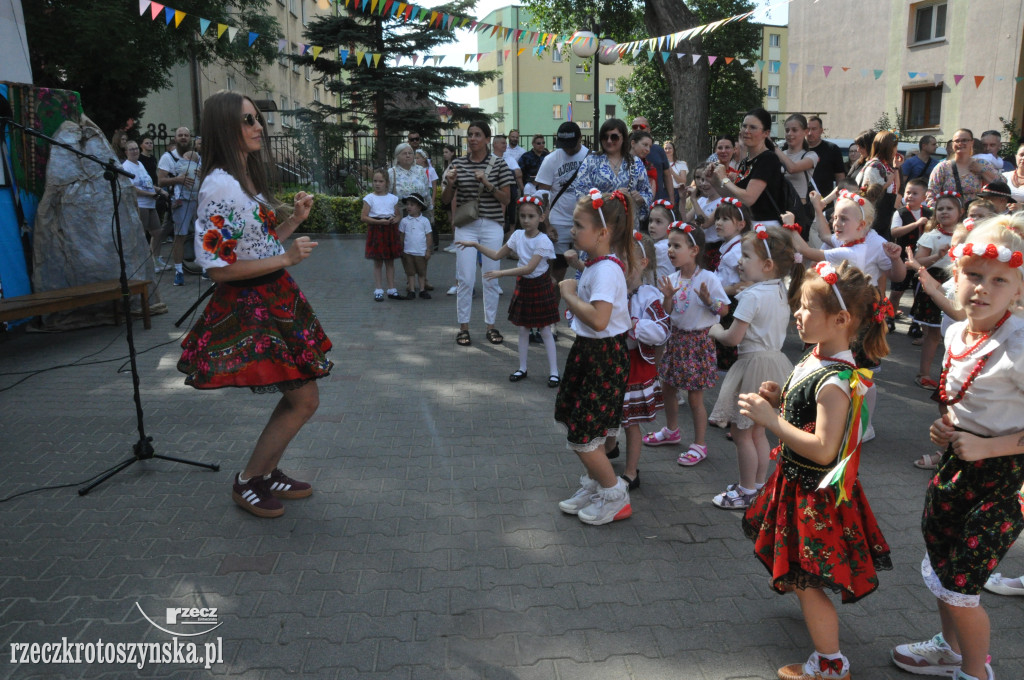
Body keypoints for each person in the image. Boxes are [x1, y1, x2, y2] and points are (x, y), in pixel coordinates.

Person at [177, 91, 329, 519]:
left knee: (299, 396)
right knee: (304, 399)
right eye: (247, 120)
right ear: (226, 127)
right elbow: (218, 269)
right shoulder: (219, 185)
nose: (258, 126)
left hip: (273, 296)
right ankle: (249, 481)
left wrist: (293, 222)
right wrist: (286, 258)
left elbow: (255, 246)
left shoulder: (242, 180)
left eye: (257, 118)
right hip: (252, 305)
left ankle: (265, 473)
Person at [739, 261, 892, 680]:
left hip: (815, 496)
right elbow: (801, 409)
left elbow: (825, 451)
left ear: (841, 319)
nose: (797, 314)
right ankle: (802, 590)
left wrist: (772, 423)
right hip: (795, 485)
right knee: (798, 567)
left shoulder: (835, 380)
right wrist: (779, 399)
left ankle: (829, 663)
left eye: (806, 307)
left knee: (809, 579)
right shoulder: (815, 356)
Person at [891, 216, 1024, 680]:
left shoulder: (1020, 346)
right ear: (956, 273)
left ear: (1018, 291)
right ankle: (948, 648)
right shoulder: (954, 332)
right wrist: (946, 428)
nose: (982, 289)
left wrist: (992, 447)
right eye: (973, 275)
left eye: (999, 280)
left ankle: (975, 672)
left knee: (963, 583)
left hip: (1005, 480)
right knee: (944, 565)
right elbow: (960, 401)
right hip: (956, 467)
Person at [555, 189, 638, 525]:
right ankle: (595, 485)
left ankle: (614, 495)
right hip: (589, 353)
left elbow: (599, 319)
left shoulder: (606, 271)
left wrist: (568, 294)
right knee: (580, 425)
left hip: (603, 356)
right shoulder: (598, 264)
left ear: (603, 233)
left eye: (579, 225)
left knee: (584, 434)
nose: (573, 230)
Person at [708, 226, 801, 508]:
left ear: (767, 264)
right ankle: (759, 485)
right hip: (775, 362)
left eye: (746, 256)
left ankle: (747, 490)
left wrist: (714, 331)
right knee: (758, 430)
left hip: (752, 365)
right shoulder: (780, 290)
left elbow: (733, 338)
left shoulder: (751, 296)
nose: (740, 261)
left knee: (741, 432)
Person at [644, 222, 728, 466]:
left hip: (697, 342)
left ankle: (700, 444)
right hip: (675, 340)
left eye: (676, 245)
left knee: (694, 399)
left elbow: (723, 310)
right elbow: (667, 313)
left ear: (694, 250)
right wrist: (668, 298)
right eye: (669, 245)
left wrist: (708, 300)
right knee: (667, 387)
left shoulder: (709, 279)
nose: (670, 250)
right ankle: (672, 431)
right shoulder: (671, 279)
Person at [458, 195, 560, 385]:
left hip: (540, 284)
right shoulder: (517, 235)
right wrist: (475, 245)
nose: (526, 220)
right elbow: (497, 254)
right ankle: (522, 367)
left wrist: (501, 273)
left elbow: (529, 268)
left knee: (545, 329)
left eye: (531, 216)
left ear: (541, 218)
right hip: (525, 285)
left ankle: (554, 371)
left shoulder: (543, 241)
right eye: (522, 216)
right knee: (522, 329)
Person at [440, 121, 515, 347]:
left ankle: (490, 326)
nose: (472, 138)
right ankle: (464, 327)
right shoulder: (458, 164)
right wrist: (451, 185)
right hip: (466, 224)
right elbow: (445, 200)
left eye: (477, 135)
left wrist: (487, 182)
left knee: (491, 277)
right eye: (470, 135)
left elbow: (507, 199)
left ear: (487, 139)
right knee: (465, 278)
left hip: (492, 225)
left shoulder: (499, 164)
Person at [617, 233, 670, 490]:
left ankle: (631, 472)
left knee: (630, 422)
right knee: (610, 412)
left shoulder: (649, 295)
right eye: (617, 258)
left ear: (643, 263)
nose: (621, 264)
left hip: (634, 365)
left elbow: (661, 330)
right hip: (610, 361)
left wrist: (634, 325)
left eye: (627, 259)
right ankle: (609, 447)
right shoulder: (611, 289)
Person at [910, 191, 963, 389]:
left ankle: (952, 377)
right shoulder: (932, 235)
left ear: (960, 211)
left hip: (958, 282)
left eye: (949, 208)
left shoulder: (967, 235)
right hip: (934, 279)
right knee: (933, 333)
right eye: (940, 209)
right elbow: (916, 261)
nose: (944, 212)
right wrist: (936, 256)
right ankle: (923, 373)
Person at [536, 121, 590, 304]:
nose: (566, 150)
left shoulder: (591, 157)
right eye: (563, 146)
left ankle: (584, 318)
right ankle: (551, 320)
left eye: (571, 145)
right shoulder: (551, 159)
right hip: (558, 224)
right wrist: (547, 224)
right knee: (556, 275)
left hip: (585, 224)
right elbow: (542, 193)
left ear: (580, 139)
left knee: (587, 272)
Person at [709, 108, 786, 226]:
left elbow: (748, 199)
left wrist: (724, 178)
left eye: (753, 127)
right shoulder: (745, 161)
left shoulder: (768, 158)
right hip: (749, 224)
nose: (746, 131)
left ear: (766, 133)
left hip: (766, 227)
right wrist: (713, 180)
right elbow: (734, 197)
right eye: (744, 126)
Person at [571, 118, 652, 228]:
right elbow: (580, 194)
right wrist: (610, 197)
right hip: (600, 225)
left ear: (623, 138)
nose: (609, 141)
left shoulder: (636, 162)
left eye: (614, 137)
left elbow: (647, 192)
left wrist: (640, 198)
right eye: (605, 137)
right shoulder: (591, 161)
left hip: (627, 226)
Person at [158, 126, 201, 286]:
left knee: (202, 234)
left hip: (197, 200)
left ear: (190, 138)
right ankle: (179, 271)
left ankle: (205, 268)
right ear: (175, 138)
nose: (183, 137)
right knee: (180, 236)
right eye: (180, 135)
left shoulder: (197, 156)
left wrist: (201, 174)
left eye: (186, 135)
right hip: (180, 201)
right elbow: (160, 181)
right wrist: (178, 179)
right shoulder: (168, 157)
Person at [889, 178, 932, 330]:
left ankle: (916, 323)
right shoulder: (900, 213)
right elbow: (894, 231)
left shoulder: (929, 213)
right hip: (903, 258)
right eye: (908, 192)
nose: (910, 196)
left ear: (924, 197)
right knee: (896, 291)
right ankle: (890, 317)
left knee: (919, 292)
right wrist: (916, 224)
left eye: (915, 193)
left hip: (922, 259)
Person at [123, 140, 170, 272]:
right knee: (141, 234)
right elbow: (132, 188)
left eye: (136, 148)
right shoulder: (126, 167)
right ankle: (142, 263)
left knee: (157, 232)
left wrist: (160, 190)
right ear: (126, 152)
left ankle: (156, 259)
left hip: (150, 203)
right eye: (131, 149)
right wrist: (150, 195)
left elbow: (147, 184)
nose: (135, 151)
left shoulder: (140, 164)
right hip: (141, 204)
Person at [927, 129, 1001, 205]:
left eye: (964, 140)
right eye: (957, 141)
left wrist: (982, 170)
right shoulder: (942, 167)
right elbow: (931, 195)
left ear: (972, 143)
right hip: (950, 213)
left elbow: (1002, 183)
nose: (960, 143)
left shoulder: (982, 163)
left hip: (973, 214)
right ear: (952, 144)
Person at [361, 169, 402, 301]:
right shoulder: (369, 198)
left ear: (387, 183)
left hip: (389, 230)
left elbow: (398, 214)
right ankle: (378, 289)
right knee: (378, 262)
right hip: (376, 229)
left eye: (381, 181)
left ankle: (391, 289)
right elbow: (364, 217)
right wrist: (379, 222)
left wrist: (395, 219)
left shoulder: (393, 198)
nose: (377, 184)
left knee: (390, 261)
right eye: (375, 181)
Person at [775, 113, 819, 232]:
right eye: (787, 130)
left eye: (794, 130)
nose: (790, 134)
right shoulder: (780, 154)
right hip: (779, 207)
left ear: (805, 132)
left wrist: (775, 149)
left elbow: (792, 168)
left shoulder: (810, 155)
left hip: (798, 209)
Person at [855, 130, 900, 240]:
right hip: (874, 221)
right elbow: (869, 194)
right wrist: (887, 183)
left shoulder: (884, 165)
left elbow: (896, 190)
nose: (896, 150)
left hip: (883, 219)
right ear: (888, 147)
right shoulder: (875, 166)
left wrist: (896, 168)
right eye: (895, 147)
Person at [684, 165, 723, 269]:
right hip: (702, 247)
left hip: (715, 249)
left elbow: (705, 223)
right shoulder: (701, 200)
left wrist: (693, 200)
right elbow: (685, 219)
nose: (703, 183)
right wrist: (682, 199)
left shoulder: (722, 202)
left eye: (708, 180)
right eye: (701, 180)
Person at [398, 193, 432, 299]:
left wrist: (428, 250)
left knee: (422, 272)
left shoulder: (424, 221)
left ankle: (422, 289)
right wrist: (401, 249)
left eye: (412, 205)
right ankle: (411, 290)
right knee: (410, 272)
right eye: (407, 204)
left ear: (419, 207)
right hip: (408, 251)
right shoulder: (404, 221)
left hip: (421, 252)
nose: (408, 207)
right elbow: (402, 236)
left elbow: (428, 236)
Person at [806, 116, 846, 198]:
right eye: (808, 129)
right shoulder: (798, 149)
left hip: (825, 202)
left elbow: (840, 178)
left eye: (814, 129)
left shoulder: (832, 149)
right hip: (801, 201)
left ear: (821, 130)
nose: (810, 133)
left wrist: (839, 198)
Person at [632, 117, 670, 201]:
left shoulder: (659, 150)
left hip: (656, 202)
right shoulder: (621, 154)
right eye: (635, 127)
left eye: (641, 126)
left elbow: (667, 175)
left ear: (649, 129)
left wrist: (672, 200)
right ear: (633, 143)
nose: (638, 129)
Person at [493, 134, 523, 232]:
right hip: (496, 193)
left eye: (505, 143)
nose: (505, 145)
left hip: (511, 192)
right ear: (494, 144)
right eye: (502, 143)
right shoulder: (490, 159)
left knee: (512, 218)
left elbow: (519, 173)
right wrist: (511, 172)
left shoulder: (509, 158)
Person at [647, 200, 675, 280]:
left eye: (658, 222)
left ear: (670, 225)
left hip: (659, 292)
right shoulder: (662, 245)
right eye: (650, 221)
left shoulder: (662, 248)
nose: (652, 225)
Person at [664, 140, 688, 206]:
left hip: (677, 192)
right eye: (665, 148)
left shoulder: (681, 164)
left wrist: (672, 172)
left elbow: (683, 181)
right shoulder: (661, 164)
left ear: (674, 150)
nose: (667, 150)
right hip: (664, 191)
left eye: (669, 148)